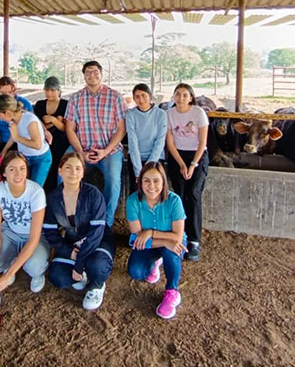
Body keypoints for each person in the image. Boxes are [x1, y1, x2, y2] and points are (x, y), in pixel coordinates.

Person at [43, 153, 115, 310]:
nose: (73, 172)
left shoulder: (93, 195)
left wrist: (79, 262)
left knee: (97, 267)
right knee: (57, 277)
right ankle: (81, 275)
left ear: (83, 172)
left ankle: (96, 286)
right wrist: (69, 252)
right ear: (60, 170)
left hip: (99, 239)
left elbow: (96, 232)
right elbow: (50, 232)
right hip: (73, 241)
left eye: (77, 168)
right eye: (68, 167)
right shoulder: (53, 197)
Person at [0, 152, 50, 305]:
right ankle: (11, 259)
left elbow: (34, 238)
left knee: (33, 267)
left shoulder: (36, 192)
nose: (18, 174)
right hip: (10, 232)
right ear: (4, 172)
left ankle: (34, 271)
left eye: (22, 168)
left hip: (33, 236)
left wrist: (9, 274)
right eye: (12, 169)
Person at [64, 61, 127, 226]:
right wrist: (80, 153)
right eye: (88, 72)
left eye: (95, 71)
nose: (92, 75)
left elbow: (121, 129)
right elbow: (70, 128)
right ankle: (68, 219)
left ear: (101, 73)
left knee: (113, 181)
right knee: (62, 174)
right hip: (81, 147)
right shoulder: (76, 98)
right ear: (83, 75)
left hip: (109, 150)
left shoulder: (115, 97)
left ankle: (105, 223)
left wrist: (105, 151)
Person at [126, 162, 187, 320]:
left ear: (163, 181)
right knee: (136, 272)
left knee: (171, 250)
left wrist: (151, 232)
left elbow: (177, 237)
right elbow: (136, 238)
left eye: (156, 180)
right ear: (139, 181)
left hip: (169, 243)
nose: (151, 186)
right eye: (146, 180)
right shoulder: (133, 201)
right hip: (154, 243)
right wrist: (164, 241)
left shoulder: (174, 201)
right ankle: (155, 263)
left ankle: (172, 292)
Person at [164, 83, 209, 262]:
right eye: (177, 94)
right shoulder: (169, 114)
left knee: (194, 194)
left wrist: (192, 164)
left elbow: (203, 142)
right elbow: (170, 143)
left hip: (197, 156)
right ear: (174, 97)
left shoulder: (198, 113)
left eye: (184, 95)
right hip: (177, 157)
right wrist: (182, 164)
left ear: (191, 97)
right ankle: (179, 234)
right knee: (179, 195)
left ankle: (194, 240)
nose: (181, 98)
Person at [0, 94, 52, 187]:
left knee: (35, 188)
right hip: (24, 157)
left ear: (8, 112)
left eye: (0, 115)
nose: (0, 118)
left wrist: (17, 137)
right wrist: (4, 150)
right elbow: (13, 137)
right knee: (22, 186)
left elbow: (37, 145)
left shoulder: (30, 120)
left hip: (41, 158)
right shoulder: (12, 120)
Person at [125, 83, 167, 192]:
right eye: (137, 97)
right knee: (136, 191)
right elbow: (132, 142)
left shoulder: (161, 114)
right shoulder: (130, 114)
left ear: (150, 96)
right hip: (136, 158)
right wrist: (139, 171)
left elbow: (160, 141)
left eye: (144, 95)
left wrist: (150, 165)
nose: (141, 99)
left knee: (155, 191)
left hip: (156, 158)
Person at [0, 77, 33, 153]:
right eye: (3, 93)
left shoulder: (24, 103)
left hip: (16, 143)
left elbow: (31, 122)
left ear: (14, 91)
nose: (7, 95)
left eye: (10, 92)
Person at [34, 76, 69, 192]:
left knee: (58, 165)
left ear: (59, 91)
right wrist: (56, 121)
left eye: (52, 90)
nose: (49, 93)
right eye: (47, 90)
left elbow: (65, 128)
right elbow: (38, 125)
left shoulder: (66, 105)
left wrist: (52, 120)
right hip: (43, 141)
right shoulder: (39, 104)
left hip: (61, 141)